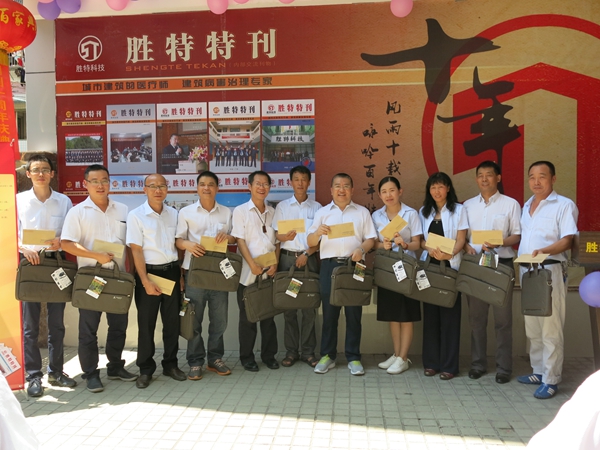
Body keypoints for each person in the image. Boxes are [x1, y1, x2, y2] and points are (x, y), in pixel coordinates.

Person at [61, 164, 138, 393]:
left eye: (104, 180)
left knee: (118, 326)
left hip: (117, 278)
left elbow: (130, 245)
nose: (100, 185)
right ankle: (91, 373)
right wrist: (96, 255)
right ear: (86, 184)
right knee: (88, 329)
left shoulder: (123, 209)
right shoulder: (78, 212)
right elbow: (67, 243)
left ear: (110, 182)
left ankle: (115, 367)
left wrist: (131, 273)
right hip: (91, 280)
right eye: (94, 181)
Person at [517, 161, 578, 399]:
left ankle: (551, 379)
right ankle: (538, 371)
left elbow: (567, 240)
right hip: (527, 271)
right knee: (532, 326)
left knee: (551, 328)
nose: (536, 181)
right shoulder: (526, 206)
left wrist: (545, 250)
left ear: (553, 179)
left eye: (542, 176)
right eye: (532, 177)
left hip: (550, 270)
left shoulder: (563, 205)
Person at [16, 155, 76, 397]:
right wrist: (23, 248)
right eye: (36, 170)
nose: (40, 174)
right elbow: (10, 232)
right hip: (29, 264)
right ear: (28, 174)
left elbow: (71, 233)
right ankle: (33, 375)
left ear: (52, 174)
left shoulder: (64, 201)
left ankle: (56, 371)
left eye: (45, 170)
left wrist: (61, 241)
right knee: (30, 326)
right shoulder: (19, 201)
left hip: (55, 264)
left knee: (56, 324)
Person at [307, 173, 376, 376]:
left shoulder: (362, 212)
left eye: (346, 186)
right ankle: (327, 356)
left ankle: (353, 357)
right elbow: (310, 242)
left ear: (352, 190)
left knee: (354, 314)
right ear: (331, 190)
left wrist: (361, 250)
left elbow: (371, 239)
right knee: (329, 314)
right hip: (329, 267)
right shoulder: (322, 213)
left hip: (355, 266)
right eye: (337, 186)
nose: (341, 189)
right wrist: (317, 233)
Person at [463, 161, 521, 384]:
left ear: (498, 178)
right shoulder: (467, 206)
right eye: (480, 175)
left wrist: (500, 242)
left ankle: (503, 368)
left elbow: (517, 235)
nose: (484, 179)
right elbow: (463, 236)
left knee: (503, 320)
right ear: (476, 179)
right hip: (476, 264)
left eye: (489, 175)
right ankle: (478, 364)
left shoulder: (510, 204)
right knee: (476, 319)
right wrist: (467, 246)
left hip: (502, 264)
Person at [126, 174, 186, 389]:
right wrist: (144, 281)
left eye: (162, 186)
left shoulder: (174, 214)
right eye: (153, 186)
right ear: (145, 190)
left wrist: (180, 276)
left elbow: (177, 246)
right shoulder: (136, 215)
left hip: (171, 272)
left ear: (167, 189)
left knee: (172, 323)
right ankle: (145, 369)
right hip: (149, 274)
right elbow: (136, 250)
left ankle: (170, 365)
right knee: (146, 324)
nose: (158, 190)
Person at [176, 171, 236, 380]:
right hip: (195, 274)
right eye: (202, 184)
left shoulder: (226, 212)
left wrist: (228, 237)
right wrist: (188, 244)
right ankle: (195, 361)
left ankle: (215, 359)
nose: (206, 188)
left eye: (211, 184)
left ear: (217, 188)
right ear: (197, 188)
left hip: (219, 274)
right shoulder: (186, 212)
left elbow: (235, 238)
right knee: (194, 319)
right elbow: (178, 240)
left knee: (219, 321)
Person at [419, 172, 467, 380]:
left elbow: (461, 239)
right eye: (433, 187)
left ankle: (449, 366)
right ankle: (431, 363)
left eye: (440, 186)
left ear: (448, 188)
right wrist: (428, 248)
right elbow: (421, 240)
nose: (437, 191)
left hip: (450, 266)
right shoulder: (424, 211)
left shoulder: (459, 210)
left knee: (450, 317)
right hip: (429, 266)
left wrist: (450, 254)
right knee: (430, 316)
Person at [372, 176, 422, 375]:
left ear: (400, 191)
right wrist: (382, 244)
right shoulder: (377, 215)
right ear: (379, 195)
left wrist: (405, 244)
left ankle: (403, 357)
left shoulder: (411, 214)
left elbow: (418, 243)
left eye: (392, 190)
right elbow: (373, 243)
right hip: (387, 268)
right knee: (392, 314)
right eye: (384, 191)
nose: (388, 195)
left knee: (406, 315)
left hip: (406, 269)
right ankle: (396, 353)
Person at [273, 165, 322, 368]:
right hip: (287, 261)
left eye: (304, 179)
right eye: (296, 179)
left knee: (309, 306)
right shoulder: (282, 207)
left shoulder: (317, 208)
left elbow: (320, 240)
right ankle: (291, 351)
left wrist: (306, 254)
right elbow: (276, 234)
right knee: (289, 307)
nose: (300, 183)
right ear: (290, 182)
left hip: (309, 259)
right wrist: (284, 236)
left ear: (309, 182)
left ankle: (308, 352)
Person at [231, 171, 280, 371]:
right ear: (249, 186)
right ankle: (247, 357)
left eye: (265, 184)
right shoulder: (241, 211)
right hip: (247, 273)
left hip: (269, 273)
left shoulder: (273, 212)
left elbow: (277, 241)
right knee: (247, 319)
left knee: (268, 318)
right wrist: (251, 264)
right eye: (258, 184)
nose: (262, 187)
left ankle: (269, 356)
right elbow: (240, 240)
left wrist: (275, 262)